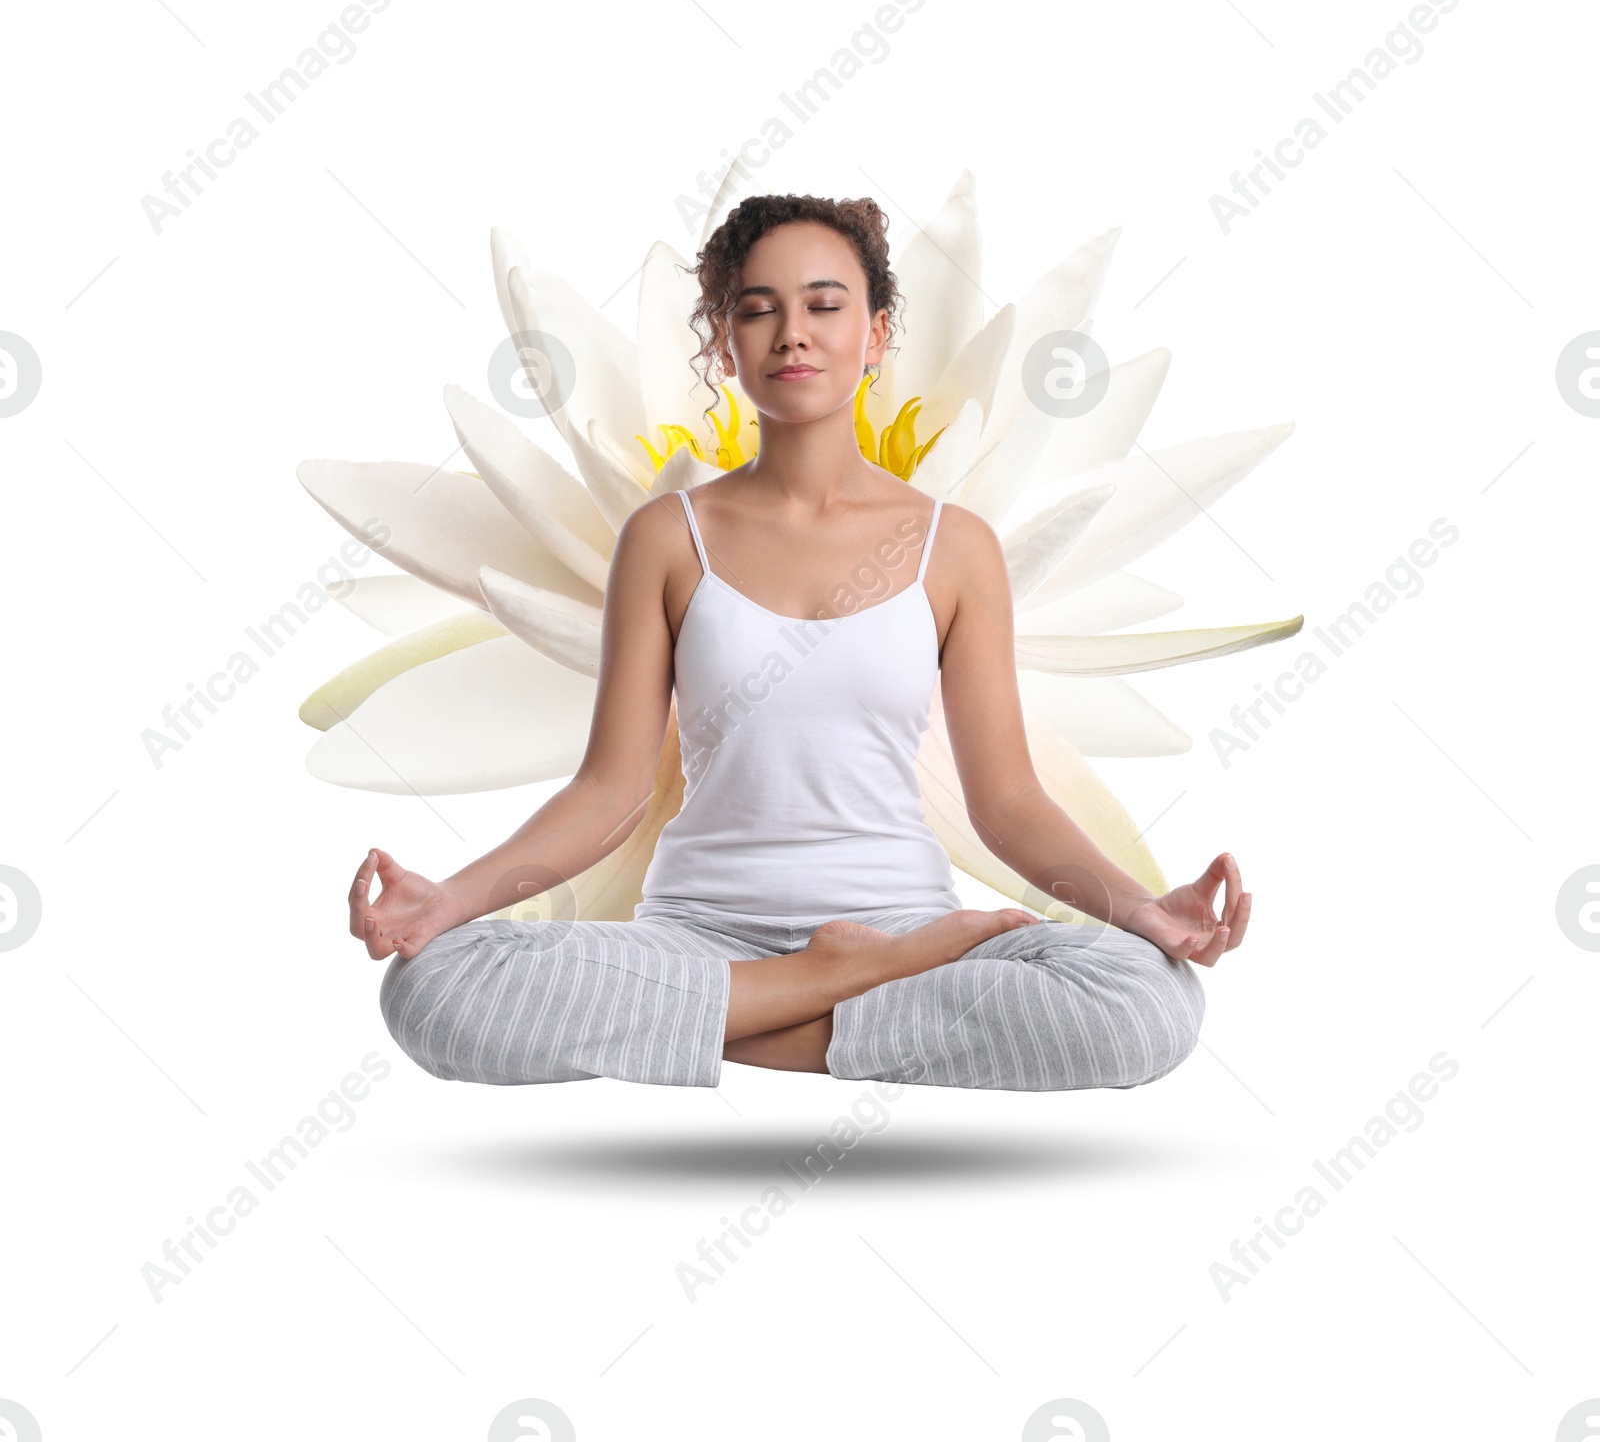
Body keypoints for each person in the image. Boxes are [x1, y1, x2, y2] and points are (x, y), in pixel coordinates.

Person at [351, 192, 1252, 1093]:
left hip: (906, 930)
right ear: (723, 342)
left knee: (1146, 1003)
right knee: (435, 990)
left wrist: (1141, 908)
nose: (793, 334)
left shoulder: (960, 546)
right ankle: (831, 982)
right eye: (757, 309)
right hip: (694, 934)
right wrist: (452, 900)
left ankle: (750, 1010)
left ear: (878, 333)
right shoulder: (665, 536)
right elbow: (612, 790)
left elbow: (1009, 799)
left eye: (825, 306)